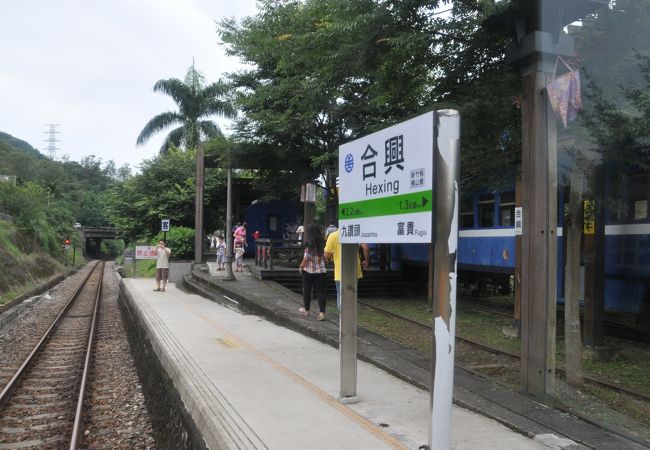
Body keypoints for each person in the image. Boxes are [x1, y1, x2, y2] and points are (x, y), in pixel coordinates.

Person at [324, 229, 368, 310]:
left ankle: (343, 319)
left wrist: (331, 255)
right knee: (352, 295)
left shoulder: (333, 235)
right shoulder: (355, 233)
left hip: (340, 272)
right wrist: (366, 261)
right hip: (355, 270)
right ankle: (350, 317)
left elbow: (326, 255)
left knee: (341, 296)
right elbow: (365, 247)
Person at [298, 223, 327, 320]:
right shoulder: (323, 241)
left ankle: (307, 311)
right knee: (321, 292)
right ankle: (322, 313)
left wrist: (301, 266)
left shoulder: (309, 242)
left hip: (309, 270)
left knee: (307, 290)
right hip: (321, 270)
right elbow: (325, 255)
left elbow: (307, 256)